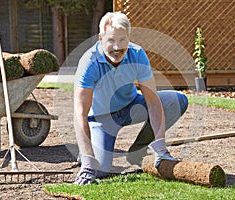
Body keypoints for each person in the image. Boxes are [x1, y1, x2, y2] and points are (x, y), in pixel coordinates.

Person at [74, 12, 188, 185]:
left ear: (128, 38)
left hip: (131, 107)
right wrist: (89, 162)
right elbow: (80, 114)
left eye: (122, 40)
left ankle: (138, 151)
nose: (117, 47)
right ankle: (86, 153)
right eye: (111, 40)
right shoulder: (89, 62)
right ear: (100, 38)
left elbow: (153, 101)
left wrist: (161, 147)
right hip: (102, 118)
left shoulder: (137, 54)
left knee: (176, 100)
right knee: (101, 170)